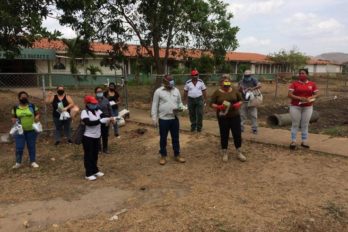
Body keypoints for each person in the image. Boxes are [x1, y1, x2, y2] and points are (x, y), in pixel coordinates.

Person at [210, 75, 246, 162]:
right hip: (223, 117)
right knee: (224, 134)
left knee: (237, 134)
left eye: (228, 84)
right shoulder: (217, 93)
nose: (226, 87)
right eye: (224, 85)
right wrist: (219, 107)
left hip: (235, 116)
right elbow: (211, 104)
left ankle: (239, 152)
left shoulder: (234, 90)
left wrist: (239, 104)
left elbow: (241, 100)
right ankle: (225, 152)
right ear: (221, 84)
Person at [151, 75, 186, 165]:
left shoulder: (176, 90)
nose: (172, 82)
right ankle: (163, 156)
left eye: (172, 81)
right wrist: (154, 118)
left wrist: (181, 108)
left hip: (174, 118)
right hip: (163, 119)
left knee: (175, 138)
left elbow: (180, 103)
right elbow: (154, 105)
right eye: (170, 81)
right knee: (163, 138)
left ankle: (177, 154)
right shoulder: (158, 91)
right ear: (165, 81)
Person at [288, 69, 319, 150]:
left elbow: (316, 94)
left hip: (308, 107)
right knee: (295, 124)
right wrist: (299, 98)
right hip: (295, 106)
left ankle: (304, 141)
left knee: (305, 124)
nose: (301, 74)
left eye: (303, 73)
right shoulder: (294, 84)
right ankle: (293, 141)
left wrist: (311, 97)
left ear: (307, 75)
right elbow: (289, 94)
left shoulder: (312, 84)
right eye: (300, 73)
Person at [81, 95, 110, 181]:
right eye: (92, 103)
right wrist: (99, 121)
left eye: (95, 103)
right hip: (88, 137)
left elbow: (104, 116)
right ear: (87, 104)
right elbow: (88, 122)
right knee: (88, 155)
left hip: (97, 136)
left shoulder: (97, 111)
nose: (94, 105)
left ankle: (95, 170)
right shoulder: (84, 112)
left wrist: (110, 118)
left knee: (95, 154)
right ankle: (88, 173)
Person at [11, 91, 40, 169]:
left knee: (31, 146)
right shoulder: (15, 107)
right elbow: (13, 117)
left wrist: (37, 117)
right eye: (22, 96)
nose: (24, 98)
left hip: (31, 130)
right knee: (19, 147)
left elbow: (37, 113)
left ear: (27, 97)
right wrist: (14, 120)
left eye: (25, 96)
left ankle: (33, 162)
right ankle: (18, 162)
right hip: (20, 131)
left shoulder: (32, 106)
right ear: (19, 98)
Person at [238, 70, 262, 134]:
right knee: (242, 115)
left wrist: (252, 88)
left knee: (253, 115)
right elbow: (239, 89)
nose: (247, 77)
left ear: (251, 75)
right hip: (244, 100)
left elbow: (260, 85)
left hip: (252, 101)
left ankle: (254, 128)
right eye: (246, 76)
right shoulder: (241, 81)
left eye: (248, 76)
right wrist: (241, 89)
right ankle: (241, 128)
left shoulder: (254, 80)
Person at [95, 86, 114, 154]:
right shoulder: (93, 100)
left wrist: (111, 117)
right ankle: (98, 149)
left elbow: (110, 109)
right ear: (95, 93)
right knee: (98, 135)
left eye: (101, 91)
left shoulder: (106, 100)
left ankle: (105, 148)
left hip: (106, 119)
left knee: (105, 134)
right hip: (97, 119)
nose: (100, 93)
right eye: (98, 92)